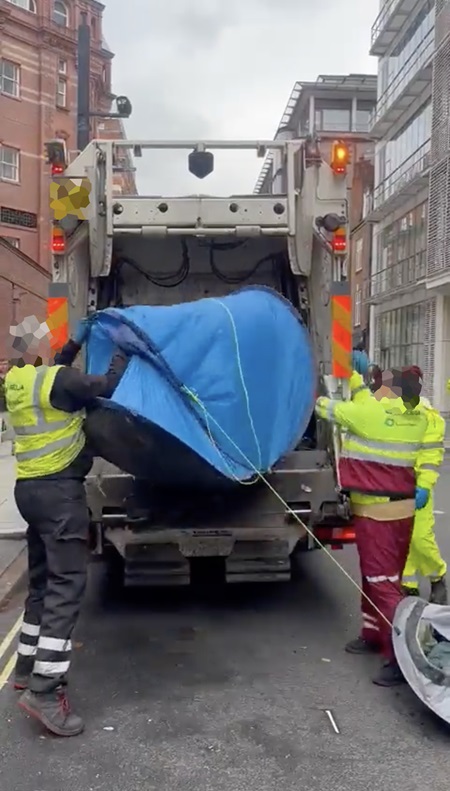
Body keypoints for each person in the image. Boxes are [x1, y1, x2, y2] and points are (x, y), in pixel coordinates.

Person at [4, 322, 129, 737]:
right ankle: (45, 690)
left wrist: (75, 341)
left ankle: (24, 669)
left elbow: (57, 371)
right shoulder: (61, 381)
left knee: (41, 586)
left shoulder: (18, 381)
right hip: (60, 494)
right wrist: (123, 351)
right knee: (66, 586)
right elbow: (106, 385)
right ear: (41, 345)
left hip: (29, 492)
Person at [316, 371, 429, 686]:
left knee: (382, 584)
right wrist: (358, 382)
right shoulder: (414, 414)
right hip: (401, 510)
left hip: (376, 513)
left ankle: (401, 658)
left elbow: (323, 406)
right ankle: (372, 635)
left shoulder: (365, 413)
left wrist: (336, 377)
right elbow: (369, 402)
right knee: (378, 577)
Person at [398, 366, 447, 604]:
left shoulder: (429, 416)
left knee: (420, 537)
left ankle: (438, 576)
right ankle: (409, 585)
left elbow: (431, 456)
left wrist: (425, 485)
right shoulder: (394, 414)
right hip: (396, 488)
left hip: (418, 486)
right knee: (403, 538)